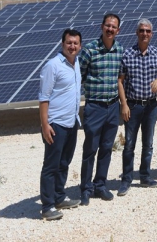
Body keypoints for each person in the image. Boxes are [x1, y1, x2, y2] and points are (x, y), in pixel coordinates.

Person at [117, 18, 157, 194]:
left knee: (148, 144)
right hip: (132, 106)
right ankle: (126, 180)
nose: (144, 33)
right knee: (129, 145)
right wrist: (124, 104)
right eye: (142, 30)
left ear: (151, 34)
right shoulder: (127, 54)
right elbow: (120, 81)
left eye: (147, 31)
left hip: (151, 106)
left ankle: (145, 177)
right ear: (137, 33)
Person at [79, 13, 123, 205]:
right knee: (90, 148)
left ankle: (100, 185)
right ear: (102, 26)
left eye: (114, 27)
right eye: (108, 25)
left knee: (106, 148)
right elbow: (78, 76)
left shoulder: (119, 50)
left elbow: (120, 78)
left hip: (112, 106)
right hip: (95, 107)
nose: (110, 29)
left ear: (118, 30)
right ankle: (86, 188)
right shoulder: (89, 50)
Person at [39, 28, 83, 221]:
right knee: (51, 166)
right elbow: (44, 97)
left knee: (64, 163)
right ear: (62, 44)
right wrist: (45, 125)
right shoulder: (53, 66)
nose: (72, 46)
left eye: (75, 43)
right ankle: (47, 206)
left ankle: (59, 197)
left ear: (80, 46)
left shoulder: (76, 63)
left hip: (71, 121)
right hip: (55, 124)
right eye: (69, 43)